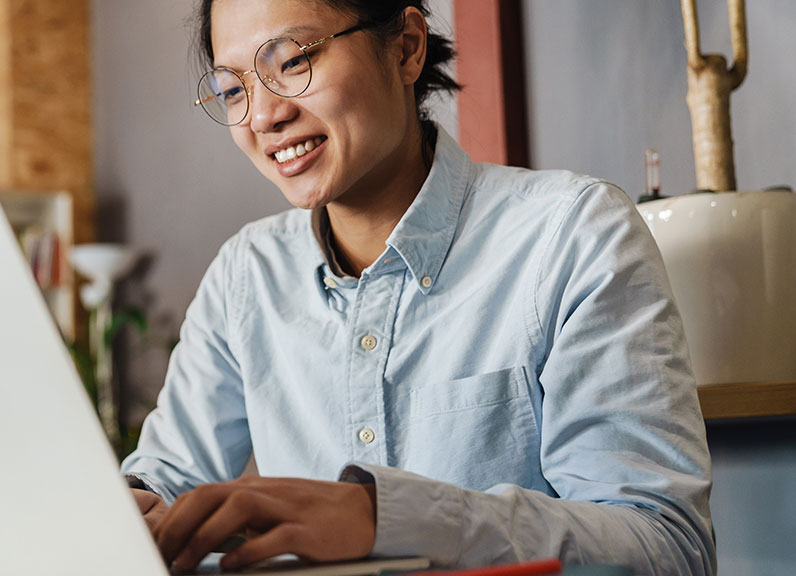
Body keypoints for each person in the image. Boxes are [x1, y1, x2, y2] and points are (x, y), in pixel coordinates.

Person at [121, 1, 717, 574]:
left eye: (293, 61)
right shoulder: (245, 275)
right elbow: (165, 478)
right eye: (232, 90)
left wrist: (388, 517)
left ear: (406, 48)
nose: (262, 116)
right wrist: (129, 509)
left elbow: (666, 547)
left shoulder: (573, 235)